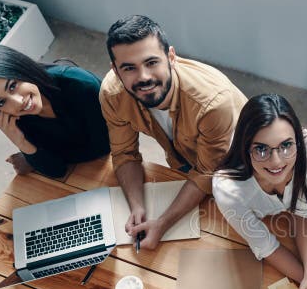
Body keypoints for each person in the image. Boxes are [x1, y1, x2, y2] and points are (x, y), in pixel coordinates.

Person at [100, 15, 247, 250]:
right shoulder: (112, 93)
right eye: (129, 68)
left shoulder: (213, 102)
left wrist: (162, 223)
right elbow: (124, 153)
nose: (144, 77)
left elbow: (207, 173)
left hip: (239, 165)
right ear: (116, 71)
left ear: (171, 57)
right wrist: (137, 206)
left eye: (151, 62)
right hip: (186, 160)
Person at [212, 94, 307, 289]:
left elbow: (301, 211)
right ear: (245, 148)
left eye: (286, 145)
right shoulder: (228, 190)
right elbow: (267, 246)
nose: (276, 162)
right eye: (261, 149)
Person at [0, 44, 110, 178]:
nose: (19, 102)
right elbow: (57, 171)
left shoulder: (82, 85)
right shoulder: (15, 118)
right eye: (1, 102)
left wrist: (34, 159)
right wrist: (21, 141)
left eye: (12, 86)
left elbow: (103, 147)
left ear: (21, 69)